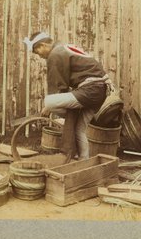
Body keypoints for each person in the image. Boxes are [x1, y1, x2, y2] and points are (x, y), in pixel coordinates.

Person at [23, 31, 113, 160]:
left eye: (37, 52)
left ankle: (65, 120)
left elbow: (59, 86)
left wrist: (48, 107)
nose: (39, 56)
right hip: (100, 91)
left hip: (91, 89)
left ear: (42, 45)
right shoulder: (63, 47)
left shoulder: (56, 54)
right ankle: (84, 161)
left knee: (49, 101)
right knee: (79, 130)